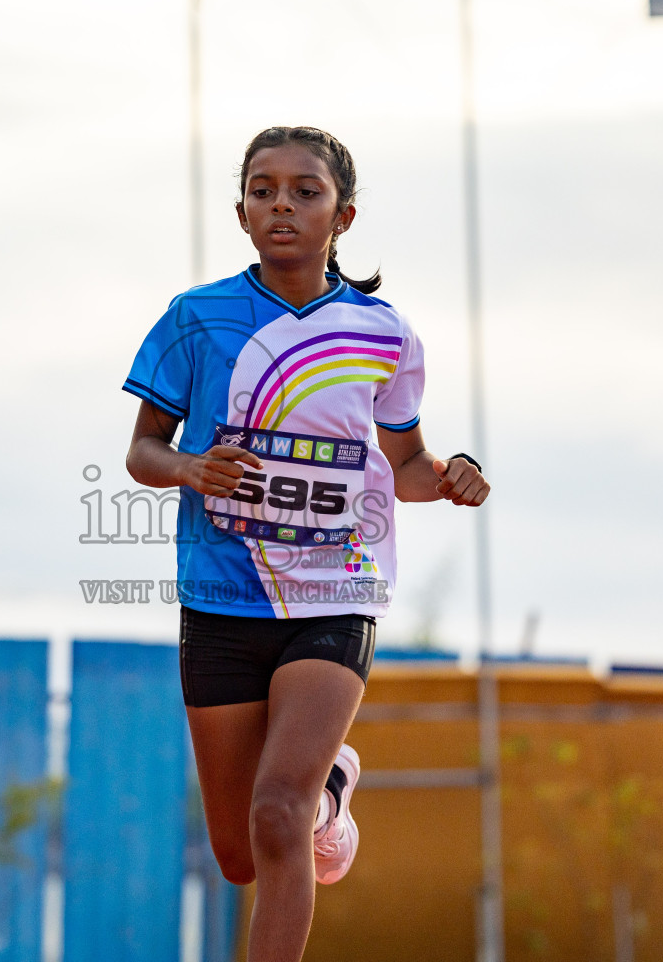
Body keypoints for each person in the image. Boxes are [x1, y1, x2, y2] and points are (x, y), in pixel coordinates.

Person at [123, 125, 488, 962]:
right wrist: (190, 468)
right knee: (243, 852)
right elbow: (142, 453)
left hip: (337, 593)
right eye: (262, 189)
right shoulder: (196, 319)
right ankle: (333, 785)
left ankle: (308, 796)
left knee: (276, 814)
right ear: (243, 212)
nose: (281, 203)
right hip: (221, 596)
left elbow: (407, 465)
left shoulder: (384, 333)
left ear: (343, 215)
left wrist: (453, 473)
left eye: (304, 190)